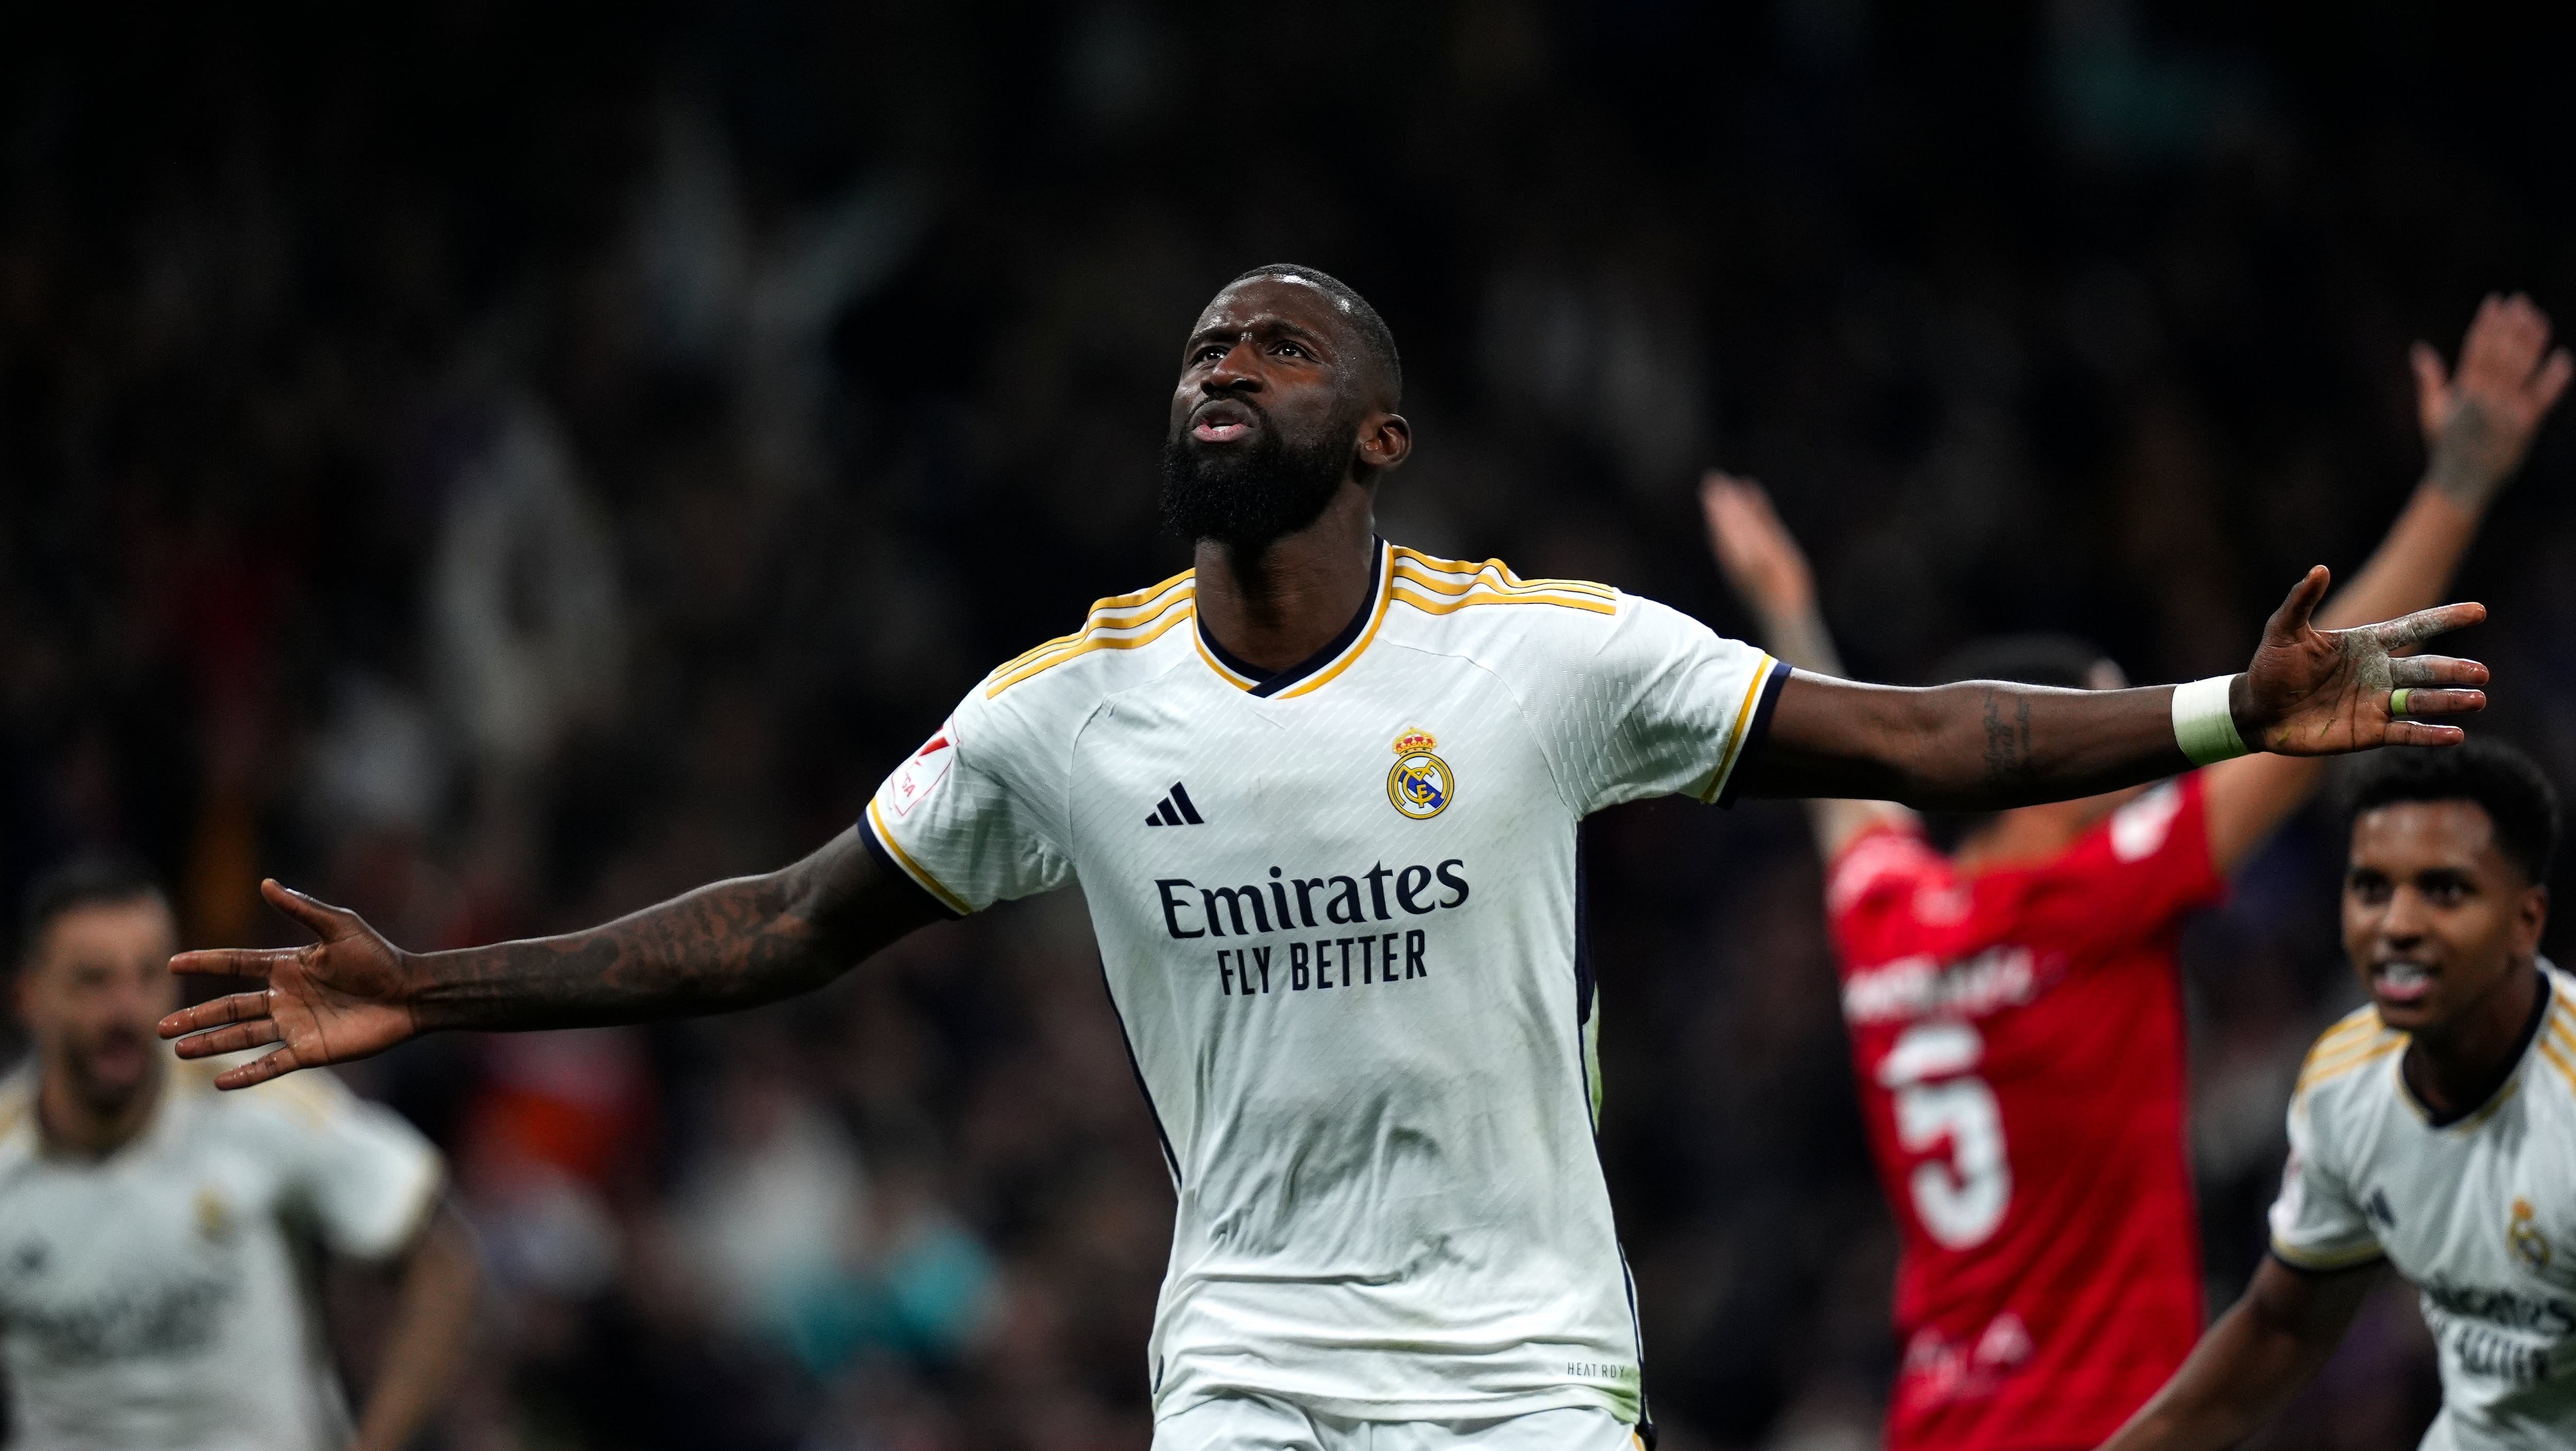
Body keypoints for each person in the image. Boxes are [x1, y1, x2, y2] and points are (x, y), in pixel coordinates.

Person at [159, 264, 2488, 1451]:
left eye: (1272, 349)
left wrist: (2218, 708)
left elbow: (1922, 734)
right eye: (1198, 343)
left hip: (1523, 1358)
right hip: (1254, 1353)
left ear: (1376, 432)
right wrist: (439, 987)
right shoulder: (1066, 706)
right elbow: (777, 923)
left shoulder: (1548, 660)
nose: (1218, 364)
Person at [1701, 293, 2569, 1451]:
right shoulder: (2099, 893)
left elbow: (1838, 789)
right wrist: (2459, 482)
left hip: (1937, 1424)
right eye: (2091, 721)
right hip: (2109, 1425)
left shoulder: (1887, 912)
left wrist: (1785, 606)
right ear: (2035, 765)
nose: (2122, 750)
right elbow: (2309, 701)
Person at [2099, 740, 2572, 1451]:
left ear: (2524, 921)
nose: (2397, 926)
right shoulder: (2347, 1077)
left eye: (2444, 890)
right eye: (2372, 887)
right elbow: (2283, 1329)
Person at [0, 856, 479, 1451]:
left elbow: (443, 1262)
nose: (126, 1010)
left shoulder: (254, 1101)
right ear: (28, 995)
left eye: (148, 975)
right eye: (94, 981)